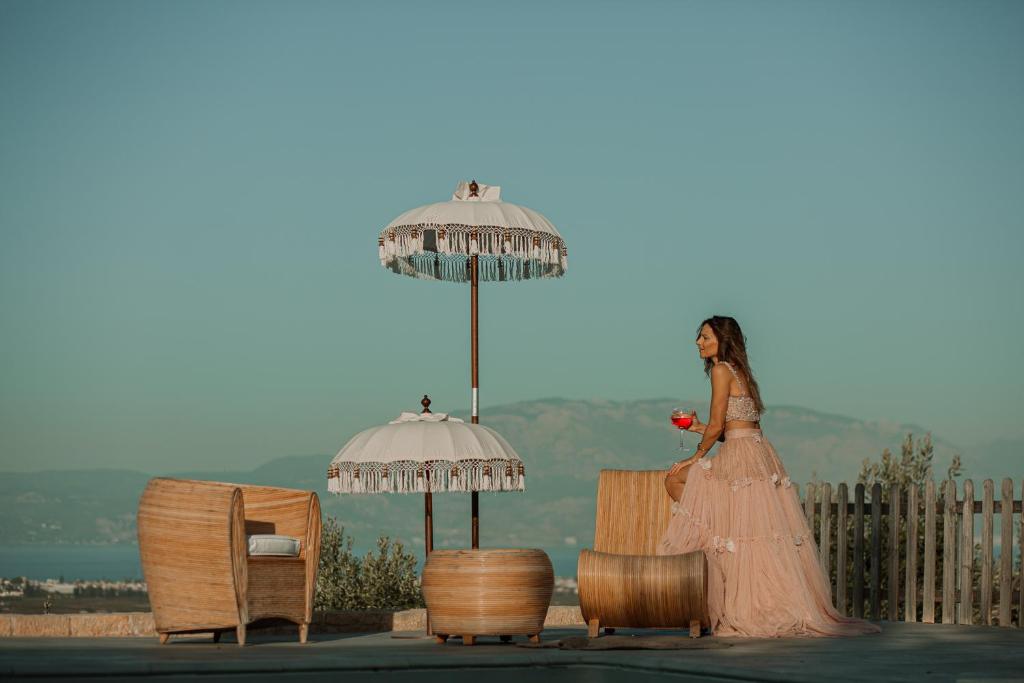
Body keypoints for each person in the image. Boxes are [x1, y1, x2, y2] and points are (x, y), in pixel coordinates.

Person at [658, 315, 880, 638]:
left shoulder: (721, 371)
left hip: (740, 458)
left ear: (722, 339)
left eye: (705, 337)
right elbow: (735, 428)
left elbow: (720, 427)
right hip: (757, 454)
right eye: (699, 337)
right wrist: (696, 428)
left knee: (675, 481)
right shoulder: (741, 373)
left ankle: (715, 547)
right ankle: (722, 545)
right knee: (750, 532)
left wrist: (694, 456)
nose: (698, 342)